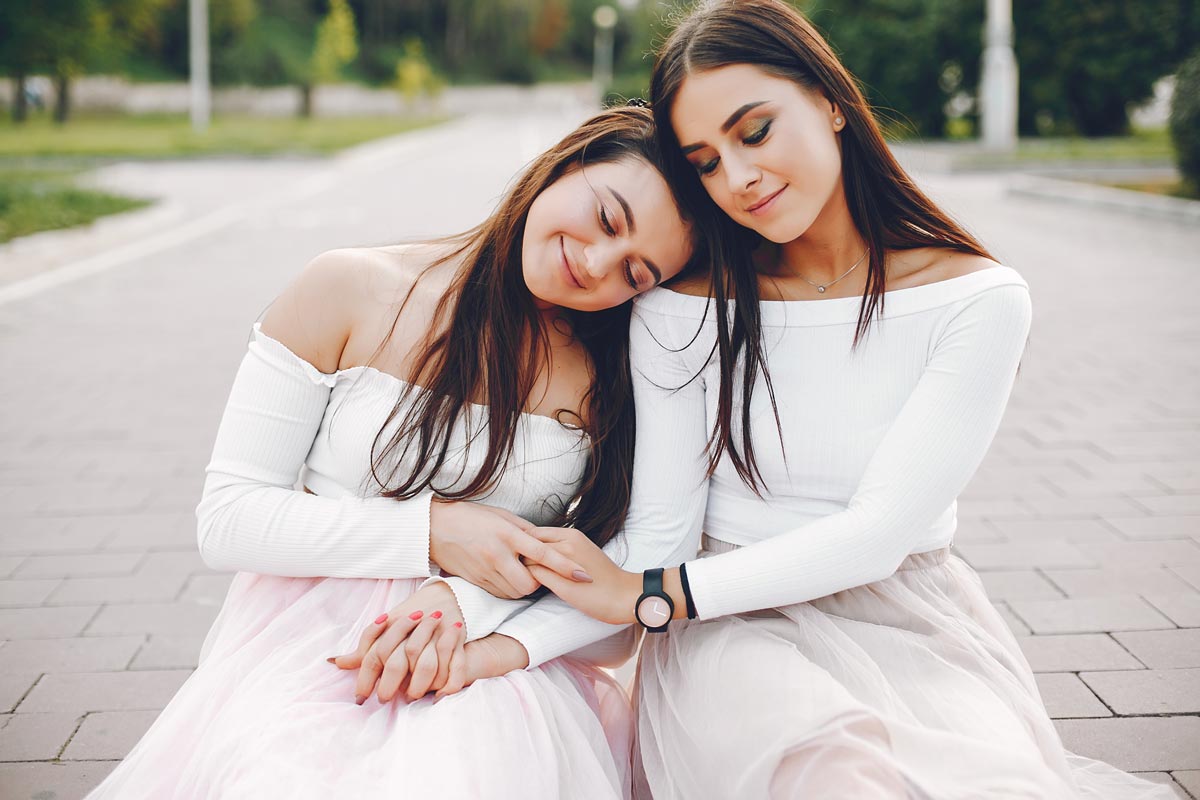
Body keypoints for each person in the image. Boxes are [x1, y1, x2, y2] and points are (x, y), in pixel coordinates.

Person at [399, 2, 1175, 798]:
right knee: (833, 771)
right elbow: (655, 539)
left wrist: (653, 596)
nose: (738, 179)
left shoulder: (978, 301)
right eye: (703, 161)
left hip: (907, 620)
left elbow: (877, 535)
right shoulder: (685, 305)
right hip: (727, 632)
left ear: (830, 101)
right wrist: (500, 640)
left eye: (755, 131)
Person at [83, 105, 696, 800]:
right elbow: (227, 521)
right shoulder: (346, 287)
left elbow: (616, 617)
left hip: (493, 661)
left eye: (635, 273)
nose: (594, 265)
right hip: (313, 640)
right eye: (607, 220)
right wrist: (432, 529)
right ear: (568, 161)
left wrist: (465, 606)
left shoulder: (612, 376)